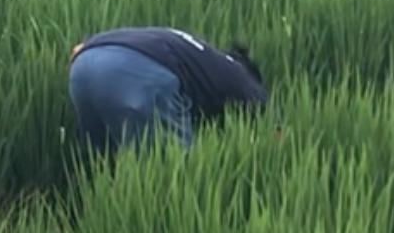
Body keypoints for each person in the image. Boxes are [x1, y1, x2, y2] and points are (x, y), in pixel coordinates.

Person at [68, 27, 267, 154]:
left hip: (84, 66)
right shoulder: (245, 82)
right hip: (141, 77)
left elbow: (78, 48)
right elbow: (275, 133)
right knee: (173, 173)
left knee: (100, 163)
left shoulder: (202, 56)